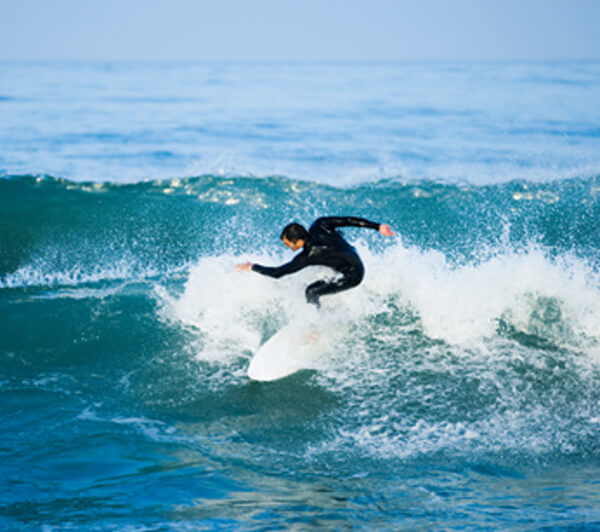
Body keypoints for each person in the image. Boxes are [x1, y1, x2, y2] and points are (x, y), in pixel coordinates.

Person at [236, 216, 394, 307]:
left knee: (311, 291)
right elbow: (348, 220)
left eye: (287, 243)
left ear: (298, 241)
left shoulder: (308, 256)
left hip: (354, 275)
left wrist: (252, 267)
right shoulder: (320, 224)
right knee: (337, 236)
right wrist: (377, 226)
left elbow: (278, 273)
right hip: (354, 256)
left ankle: (314, 328)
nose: (285, 245)